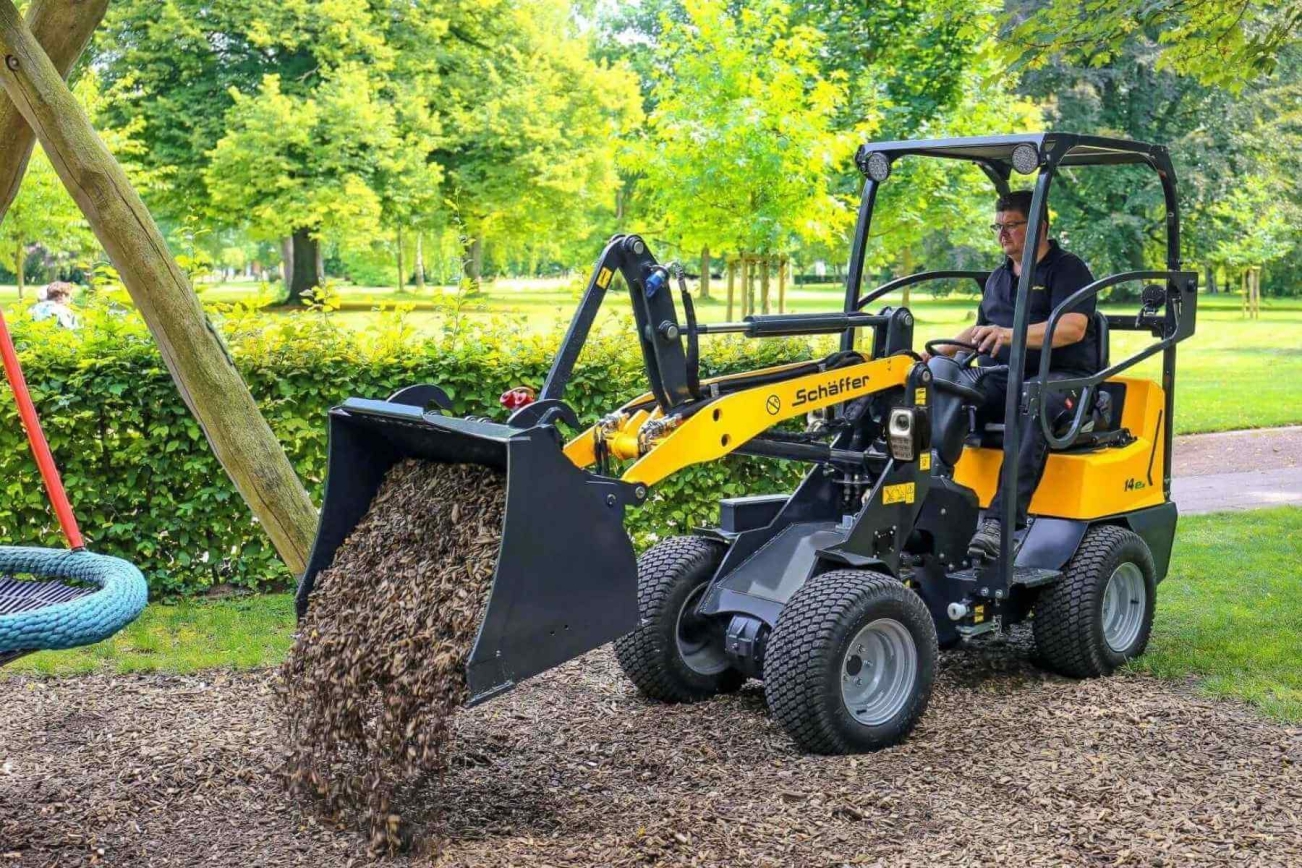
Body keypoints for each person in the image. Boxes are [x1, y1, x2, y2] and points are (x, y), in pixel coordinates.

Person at [927, 191, 1097, 561]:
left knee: (1031, 398)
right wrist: (931, 356)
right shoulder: (998, 278)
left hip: (1060, 379)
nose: (1002, 234)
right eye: (998, 226)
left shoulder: (1068, 270)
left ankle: (1000, 525)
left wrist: (1010, 334)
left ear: (1040, 227)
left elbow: (1072, 328)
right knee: (946, 384)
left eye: (1011, 225)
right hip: (1006, 375)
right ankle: (932, 488)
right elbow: (979, 331)